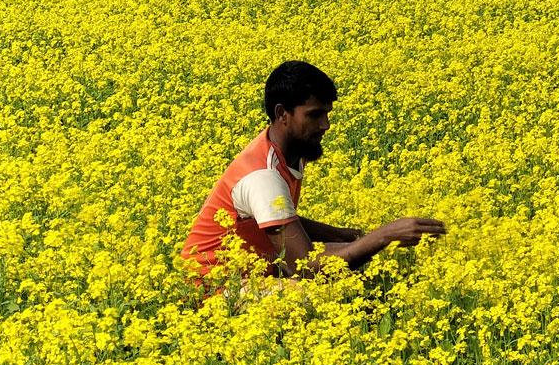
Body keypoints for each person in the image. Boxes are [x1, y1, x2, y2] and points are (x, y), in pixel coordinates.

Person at [181, 61, 447, 279]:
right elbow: (305, 265)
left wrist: (347, 235)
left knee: (354, 264)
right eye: (314, 115)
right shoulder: (263, 176)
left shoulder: (288, 152)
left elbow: (281, 220)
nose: (325, 125)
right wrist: (384, 235)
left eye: (327, 114)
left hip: (253, 269)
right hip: (215, 289)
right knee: (322, 291)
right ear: (282, 113)